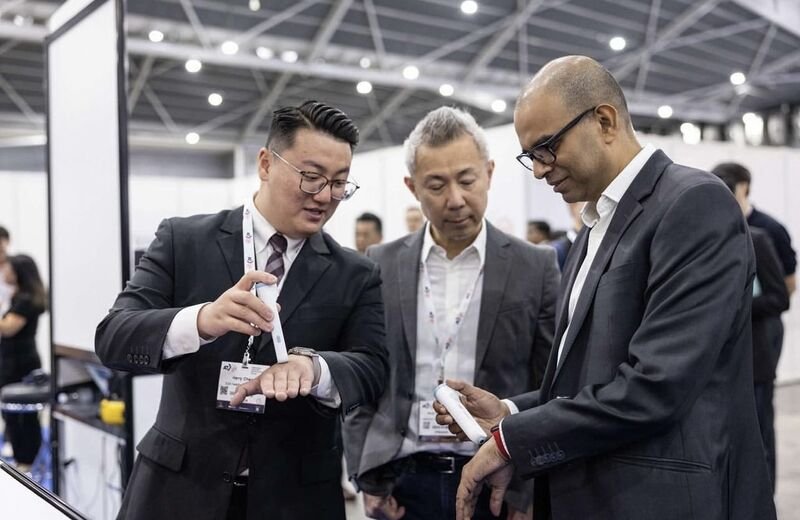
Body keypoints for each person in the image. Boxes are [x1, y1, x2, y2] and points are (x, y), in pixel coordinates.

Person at [437, 56, 776, 520]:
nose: (539, 170)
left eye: (546, 148)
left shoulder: (693, 203)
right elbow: (593, 378)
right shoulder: (594, 228)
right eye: (530, 156)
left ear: (604, 120)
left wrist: (510, 443)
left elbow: (656, 385)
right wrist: (510, 412)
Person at [95, 100, 388, 520]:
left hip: (295, 499)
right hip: (178, 491)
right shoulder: (184, 240)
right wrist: (199, 321)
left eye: (339, 183)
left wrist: (316, 369)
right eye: (310, 177)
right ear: (266, 164)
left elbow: (374, 367)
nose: (325, 196)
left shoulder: (355, 273)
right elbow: (114, 337)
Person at [343, 106, 559, 520]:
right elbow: (362, 374)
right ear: (412, 187)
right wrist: (365, 473)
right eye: (437, 185)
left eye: (467, 180)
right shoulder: (381, 264)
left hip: (497, 475)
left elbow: (549, 382)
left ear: (490, 173)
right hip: (402, 481)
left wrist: (526, 490)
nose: (455, 199)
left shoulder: (536, 266)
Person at [713, 166, 790, 488]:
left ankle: (763, 496)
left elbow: (780, 296)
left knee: (759, 428)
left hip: (758, 350)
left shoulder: (761, 235)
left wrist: (733, 304)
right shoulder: (711, 239)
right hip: (723, 357)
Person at [711, 162, 796, 297]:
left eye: (729, 185)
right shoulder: (713, 227)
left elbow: (789, 282)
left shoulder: (771, 229)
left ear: (744, 187)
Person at [0, 254, 46, 473]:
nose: (4, 273)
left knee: (23, 415)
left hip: (20, 362)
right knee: (10, 413)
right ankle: (22, 458)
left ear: (18, 272)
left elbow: (9, 328)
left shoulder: (26, 300)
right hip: (10, 360)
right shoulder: (17, 297)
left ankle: (26, 460)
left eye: (7, 269)